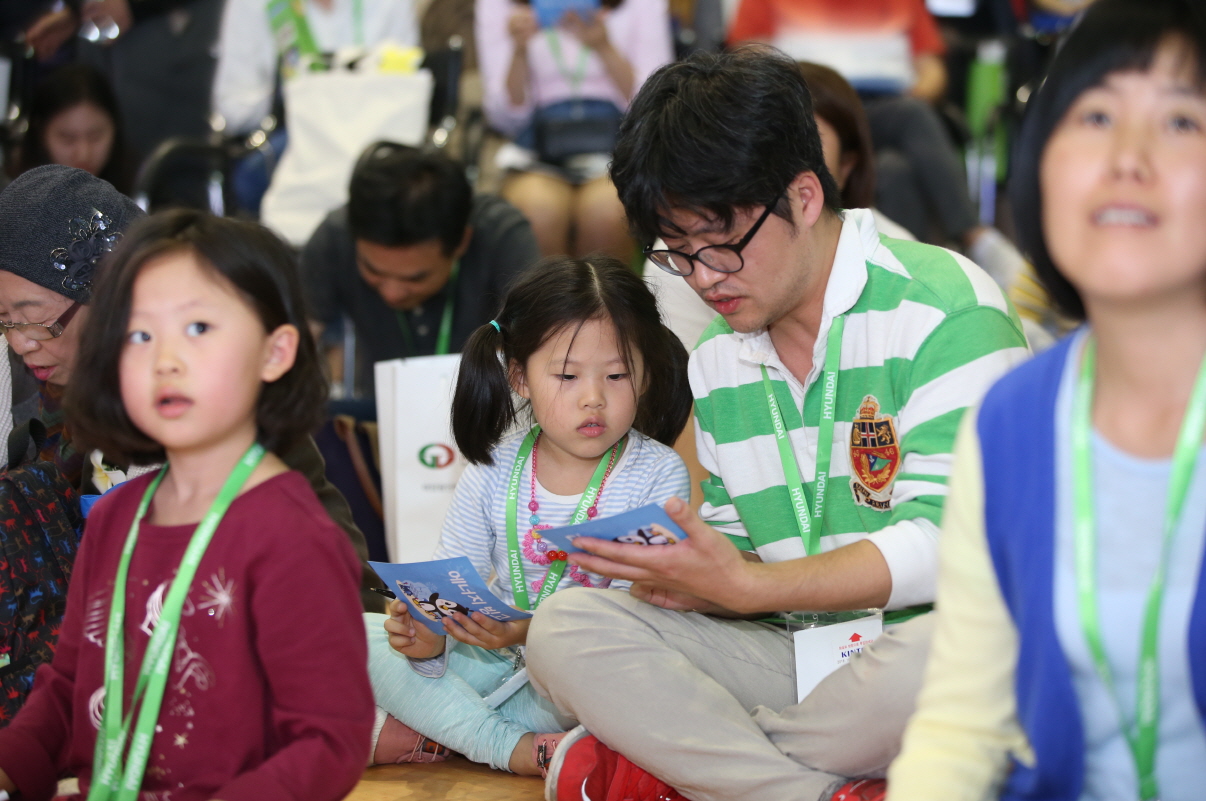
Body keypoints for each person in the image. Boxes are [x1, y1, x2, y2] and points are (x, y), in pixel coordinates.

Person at [523, 46, 1031, 801]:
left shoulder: (944, 302)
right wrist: (689, 577)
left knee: (965, 657)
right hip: (802, 662)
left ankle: (693, 767)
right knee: (565, 628)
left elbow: (948, 545)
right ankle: (819, 790)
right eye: (678, 253)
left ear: (802, 195)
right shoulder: (719, 361)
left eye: (722, 244)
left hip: (921, 649)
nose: (704, 277)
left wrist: (743, 588)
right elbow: (742, 557)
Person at [888, 1, 1206, 799]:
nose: (1126, 157)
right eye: (1095, 115)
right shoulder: (1013, 420)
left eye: (1179, 121)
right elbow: (961, 727)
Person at [0, 209, 375, 800]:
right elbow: (70, 685)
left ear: (275, 353)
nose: (164, 360)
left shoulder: (293, 535)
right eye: (139, 335)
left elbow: (329, 743)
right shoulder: (118, 521)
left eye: (198, 328)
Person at [366, 255, 693, 775]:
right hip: (491, 664)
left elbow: (637, 617)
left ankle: (454, 736)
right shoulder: (493, 465)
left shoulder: (658, 475)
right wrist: (427, 641)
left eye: (616, 375)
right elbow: (449, 589)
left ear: (647, 374)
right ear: (519, 376)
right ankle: (521, 748)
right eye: (566, 375)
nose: (593, 398)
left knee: (653, 685)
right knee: (355, 640)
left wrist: (527, 633)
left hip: (579, 681)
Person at [0, 165, 380, 606]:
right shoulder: (29, 388)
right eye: (5, 319)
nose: (19, 340)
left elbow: (340, 585)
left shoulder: (223, 412)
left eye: (35, 320)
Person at [728, 0, 1027, 288]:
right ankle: (970, 243)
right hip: (813, 106)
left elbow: (932, 68)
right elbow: (746, 61)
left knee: (903, 140)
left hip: (887, 106)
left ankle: (915, 277)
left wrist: (917, 91)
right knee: (903, 143)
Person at [299, 142, 541, 394]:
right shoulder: (336, 236)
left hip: (483, 408)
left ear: (461, 242)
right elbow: (298, 337)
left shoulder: (501, 236)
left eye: (415, 278)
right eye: (374, 272)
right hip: (379, 410)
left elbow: (534, 343)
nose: (391, 292)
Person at [477, 0, 673, 260]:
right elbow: (504, 118)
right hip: (536, 147)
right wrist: (519, 52)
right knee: (536, 213)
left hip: (619, 145)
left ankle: (606, 301)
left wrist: (604, 47)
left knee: (608, 215)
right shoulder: (499, 5)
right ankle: (546, 302)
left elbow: (657, 100)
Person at [13, 64, 131, 193]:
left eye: (95, 137)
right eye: (68, 139)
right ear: (40, 133)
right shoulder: (13, 202)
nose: (83, 154)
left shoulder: (141, 191)